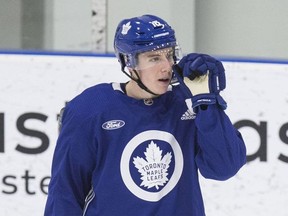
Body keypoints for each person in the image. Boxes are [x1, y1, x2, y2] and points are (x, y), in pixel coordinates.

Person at [44, 14, 246, 216]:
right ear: (129, 63)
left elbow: (224, 168)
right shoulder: (90, 110)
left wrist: (206, 101)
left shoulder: (186, 103)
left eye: (169, 55)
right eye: (154, 58)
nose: (167, 66)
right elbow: (65, 192)